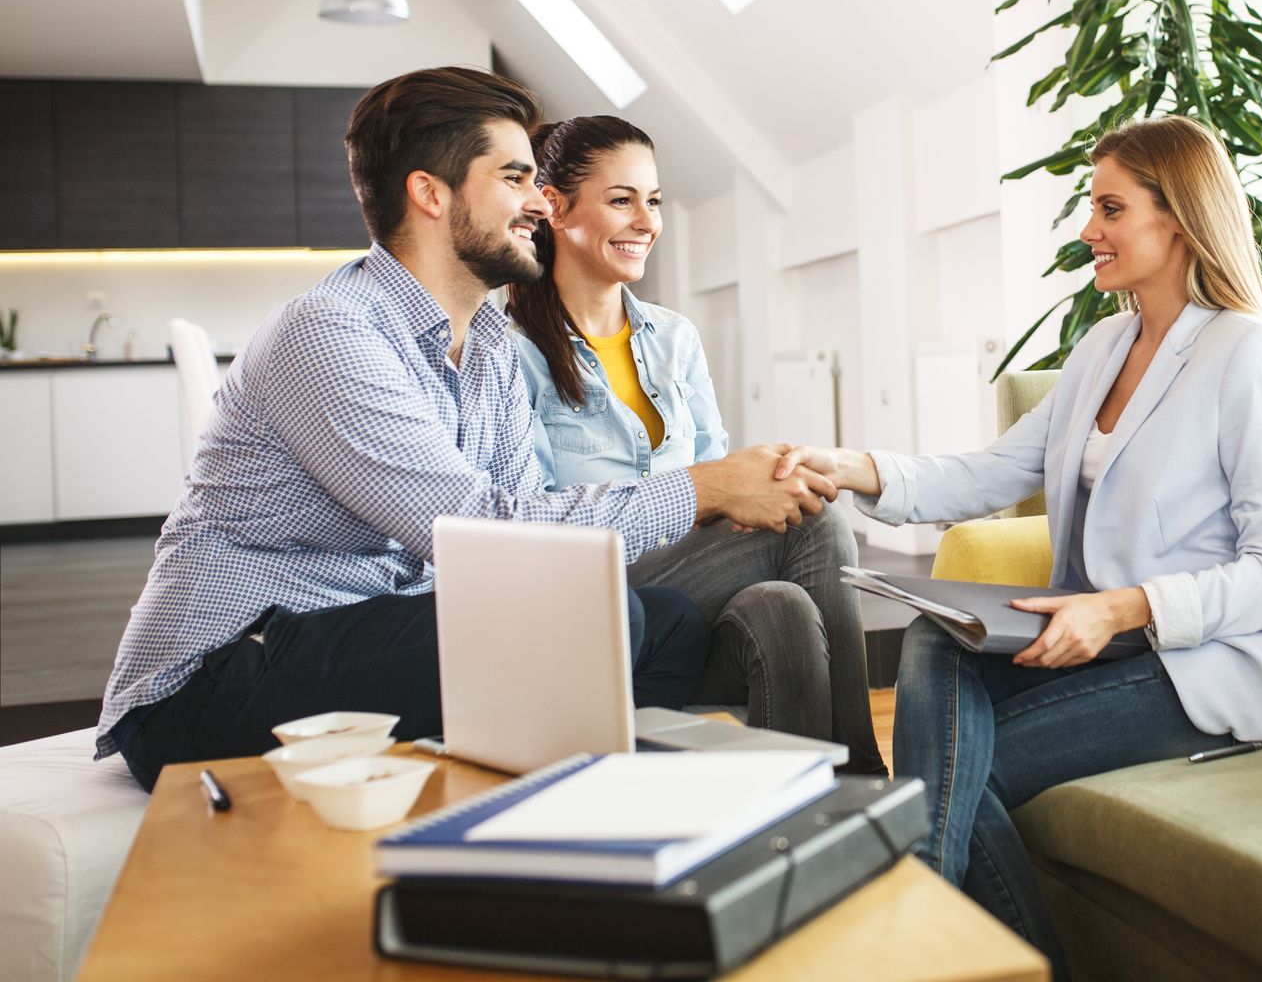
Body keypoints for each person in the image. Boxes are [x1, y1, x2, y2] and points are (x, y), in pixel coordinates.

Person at [96, 66, 837, 790]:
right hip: (214, 676)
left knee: (666, 620)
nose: (538, 205)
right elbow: (480, 525)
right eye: (513, 179)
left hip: (363, 631)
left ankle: (610, 805)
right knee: (592, 621)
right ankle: (583, 802)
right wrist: (704, 488)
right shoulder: (329, 333)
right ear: (429, 192)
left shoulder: (487, 345)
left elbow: (516, 546)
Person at [773, 116, 1262, 971]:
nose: (1087, 231)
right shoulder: (1104, 346)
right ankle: (927, 921)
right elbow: (993, 472)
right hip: (1102, 646)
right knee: (935, 637)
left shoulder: (1246, 355)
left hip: (1204, 662)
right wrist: (852, 467)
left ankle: (908, 919)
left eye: (1110, 209)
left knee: (959, 774)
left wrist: (1125, 607)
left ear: (1177, 218)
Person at [505, 115, 884, 772]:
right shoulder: (510, 351)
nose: (646, 220)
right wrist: (729, 492)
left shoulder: (673, 337)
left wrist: (760, 481)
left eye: (652, 201)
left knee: (783, 605)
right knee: (815, 521)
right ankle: (865, 780)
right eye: (621, 199)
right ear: (555, 206)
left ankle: (791, 816)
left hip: (690, 579)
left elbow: (715, 471)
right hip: (594, 593)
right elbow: (535, 518)